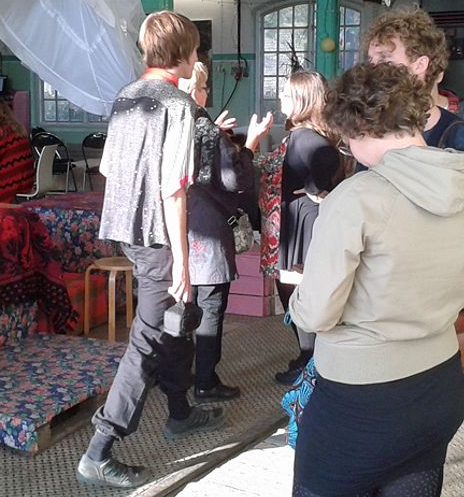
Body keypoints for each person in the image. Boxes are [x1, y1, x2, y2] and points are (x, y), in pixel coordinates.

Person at [289, 62, 464, 496]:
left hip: (361, 396)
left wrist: (297, 300)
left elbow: (316, 313)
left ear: (358, 128)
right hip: (441, 380)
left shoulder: (358, 197)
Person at [77, 11, 224, 490]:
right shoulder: (177, 106)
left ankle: (179, 410)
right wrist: (182, 262)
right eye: (195, 48)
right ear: (182, 52)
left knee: (172, 323)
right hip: (159, 237)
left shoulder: (126, 96)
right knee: (146, 339)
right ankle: (99, 450)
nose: (197, 55)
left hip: (126, 230)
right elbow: (174, 189)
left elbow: (108, 171)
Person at [180, 62, 273, 402]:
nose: (207, 93)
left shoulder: (175, 124)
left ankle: (178, 374)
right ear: (197, 91)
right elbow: (237, 180)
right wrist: (250, 145)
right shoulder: (206, 129)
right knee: (210, 305)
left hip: (179, 224)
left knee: (183, 303)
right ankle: (206, 382)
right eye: (204, 87)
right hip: (207, 227)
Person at [273, 71, 343, 385]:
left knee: (299, 292)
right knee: (298, 290)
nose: (281, 99)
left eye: (286, 94)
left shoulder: (305, 137)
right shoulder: (308, 134)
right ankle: (309, 358)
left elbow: (325, 166)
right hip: (303, 216)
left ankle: (309, 360)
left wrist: (314, 190)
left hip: (305, 220)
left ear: (302, 100)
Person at [366, 6, 464, 150]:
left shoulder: (457, 136)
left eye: (385, 59)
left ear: (420, 65)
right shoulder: (370, 124)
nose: (372, 70)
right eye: (370, 61)